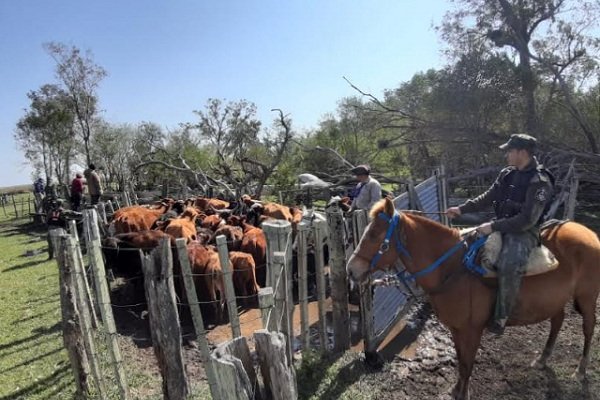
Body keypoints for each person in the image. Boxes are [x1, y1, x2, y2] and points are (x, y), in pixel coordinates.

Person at [445, 134, 554, 334]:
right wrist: (461, 209)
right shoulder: (507, 173)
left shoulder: (540, 181)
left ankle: (503, 315)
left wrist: (493, 226)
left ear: (522, 153)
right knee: (463, 246)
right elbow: (489, 196)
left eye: (510, 151)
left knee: (509, 264)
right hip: (501, 224)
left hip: (523, 231)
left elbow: (527, 220)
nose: (507, 155)